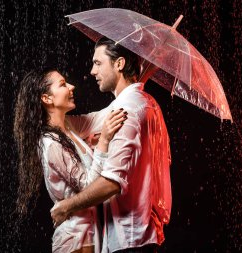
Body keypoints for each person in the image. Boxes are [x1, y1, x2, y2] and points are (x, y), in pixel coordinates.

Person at [51, 37, 172, 253]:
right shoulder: (143, 103)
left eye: (98, 63)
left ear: (119, 64)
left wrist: (67, 207)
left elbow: (112, 183)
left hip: (129, 238)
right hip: (141, 235)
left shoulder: (129, 111)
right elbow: (85, 123)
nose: (92, 71)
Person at [13, 68, 127, 253]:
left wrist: (134, 81)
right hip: (75, 238)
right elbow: (89, 186)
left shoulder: (69, 126)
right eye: (63, 84)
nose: (72, 87)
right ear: (47, 98)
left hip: (89, 231)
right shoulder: (51, 144)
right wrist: (103, 142)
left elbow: (104, 115)